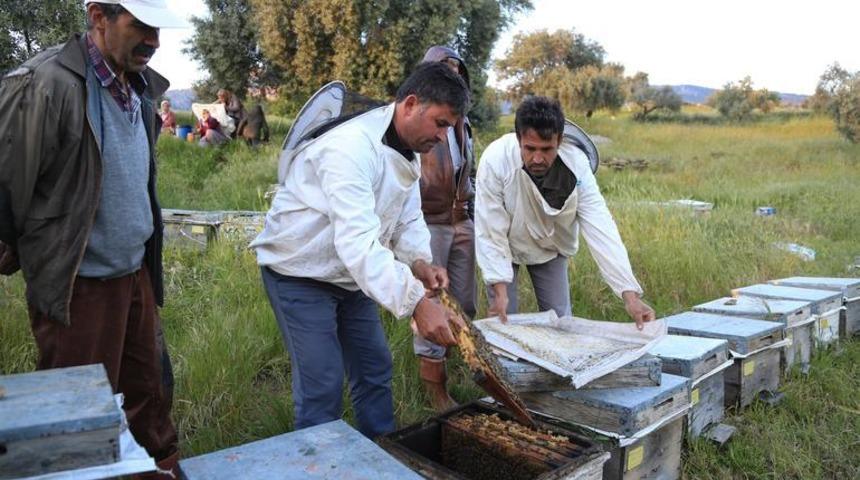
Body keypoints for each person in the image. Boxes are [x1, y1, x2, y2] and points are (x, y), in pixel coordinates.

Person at [0, 1, 186, 478]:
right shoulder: (45, 83)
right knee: (76, 419)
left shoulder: (140, 88)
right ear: (98, 16)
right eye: (140, 26)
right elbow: (6, 181)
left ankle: (159, 470)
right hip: (77, 281)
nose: (154, 40)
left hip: (134, 271)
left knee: (148, 394)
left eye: (157, 28)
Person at [250, 62, 470, 439]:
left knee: (374, 368)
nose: (443, 135)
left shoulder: (408, 147)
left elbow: (406, 215)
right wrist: (417, 302)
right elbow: (357, 242)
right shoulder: (349, 147)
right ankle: (321, 462)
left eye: (449, 126)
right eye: (440, 123)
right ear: (411, 104)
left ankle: (383, 455)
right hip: (299, 272)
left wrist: (419, 261)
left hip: (351, 277)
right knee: (322, 381)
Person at [475, 96, 656, 328]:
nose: (537, 158)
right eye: (529, 149)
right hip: (505, 243)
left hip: (551, 245)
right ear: (518, 139)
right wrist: (499, 290)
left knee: (562, 323)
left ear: (559, 140)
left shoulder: (577, 165)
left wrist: (630, 296)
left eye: (546, 149)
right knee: (503, 321)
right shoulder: (496, 159)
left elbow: (600, 226)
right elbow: (490, 228)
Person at [413, 46, 476, 412]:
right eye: (444, 69)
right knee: (432, 299)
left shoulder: (463, 122)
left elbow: (467, 170)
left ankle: (454, 368)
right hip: (429, 219)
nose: (452, 76)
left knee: (464, 301)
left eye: (457, 70)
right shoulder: (420, 118)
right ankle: (435, 391)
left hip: (460, 217)